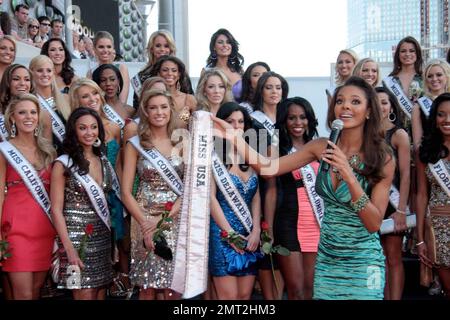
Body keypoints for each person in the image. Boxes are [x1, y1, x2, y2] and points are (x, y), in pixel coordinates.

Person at [213, 76, 395, 299]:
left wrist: (349, 176)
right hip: (328, 259)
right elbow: (267, 168)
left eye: (355, 101)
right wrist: (234, 137)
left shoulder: (382, 157)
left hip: (363, 260)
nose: (345, 106)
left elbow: (374, 223)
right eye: (340, 101)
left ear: (369, 111)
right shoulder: (321, 147)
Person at [121, 89, 183, 300]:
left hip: (175, 218)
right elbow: (126, 192)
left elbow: (191, 190)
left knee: (173, 285)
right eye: (153, 108)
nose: (159, 112)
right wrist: (146, 222)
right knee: (147, 285)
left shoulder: (183, 142)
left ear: (171, 110)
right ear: (145, 112)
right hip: (143, 216)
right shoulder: (135, 144)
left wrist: (162, 220)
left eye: (164, 107)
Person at [50, 107, 115, 299]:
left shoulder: (103, 161)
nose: (89, 132)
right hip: (75, 242)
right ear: (74, 131)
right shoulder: (63, 163)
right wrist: (68, 250)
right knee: (82, 293)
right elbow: (55, 210)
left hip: (102, 239)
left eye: (94, 127)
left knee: (100, 292)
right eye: (83, 128)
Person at [0, 94, 56, 299]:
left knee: (35, 292)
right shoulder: (4, 150)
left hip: (44, 228)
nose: (28, 117)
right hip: (15, 228)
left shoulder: (48, 151)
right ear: (13, 117)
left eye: (33, 112)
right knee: (22, 294)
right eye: (22, 112)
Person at [266, 97, 320, 300]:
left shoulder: (319, 146)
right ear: (284, 121)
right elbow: (271, 190)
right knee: (295, 289)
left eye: (303, 117)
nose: (298, 123)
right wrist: (269, 228)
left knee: (311, 289)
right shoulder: (276, 149)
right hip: (288, 223)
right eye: (292, 118)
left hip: (316, 221)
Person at [208, 102, 262, 300]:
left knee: (245, 295)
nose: (236, 126)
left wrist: (256, 229)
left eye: (240, 122)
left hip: (248, 233)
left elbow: (256, 196)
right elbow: (210, 199)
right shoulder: (213, 156)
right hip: (222, 232)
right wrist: (229, 233)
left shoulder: (251, 155)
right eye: (230, 121)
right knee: (228, 297)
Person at [376, 87, 411, 300]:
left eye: (385, 102)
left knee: (393, 258)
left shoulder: (398, 134)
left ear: (391, 107)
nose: (381, 106)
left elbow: (406, 175)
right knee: (375, 258)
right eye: (376, 101)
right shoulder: (363, 134)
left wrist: (400, 210)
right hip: (371, 203)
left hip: (393, 203)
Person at [416, 92, 450, 298]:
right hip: (438, 228)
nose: (447, 120)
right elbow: (421, 195)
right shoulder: (426, 151)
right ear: (434, 118)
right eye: (441, 114)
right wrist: (420, 239)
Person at [29, 55, 71, 153]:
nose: (45, 74)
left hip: (67, 156)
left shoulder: (66, 98)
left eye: (49, 71)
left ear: (53, 73)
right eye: (40, 70)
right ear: (31, 72)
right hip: (43, 155)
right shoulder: (29, 103)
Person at [385, 36, 424, 132]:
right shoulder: (389, 81)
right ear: (398, 54)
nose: (407, 54)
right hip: (395, 130)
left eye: (412, 51)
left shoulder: (424, 78)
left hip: (421, 129)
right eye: (403, 51)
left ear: (417, 54)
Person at [132, 30, 176, 109]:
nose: (162, 49)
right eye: (158, 46)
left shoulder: (180, 73)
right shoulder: (141, 76)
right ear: (151, 48)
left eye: (166, 46)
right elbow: (137, 107)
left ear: (171, 49)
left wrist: (180, 118)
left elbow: (188, 103)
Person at [411, 59, 450, 150]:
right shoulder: (418, 107)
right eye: (430, 76)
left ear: (447, 76)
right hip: (432, 159)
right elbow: (417, 144)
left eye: (439, 75)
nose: (434, 79)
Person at [149, 56, 196, 129]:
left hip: (184, 139)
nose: (170, 73)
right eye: (165, 70)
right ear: (158, 73)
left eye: (174, 70)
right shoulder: (151, 99)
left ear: (179, 75)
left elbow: (199, 127)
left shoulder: (189, 99)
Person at [89, 31, 130, 105]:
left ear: (113, 48)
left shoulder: (121, 69)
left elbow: (123, 101)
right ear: (94, 49)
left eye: (109, 47)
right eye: (101, 47)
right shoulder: (91, 72)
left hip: (118, 113)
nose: (105, 50)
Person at [203, 28, 244, 100]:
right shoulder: (207, 71)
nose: (225, 45)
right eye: (220, 42)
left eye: (228, 42)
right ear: (214, 47)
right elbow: (201, 97)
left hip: (240, 110)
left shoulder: (239, 70)